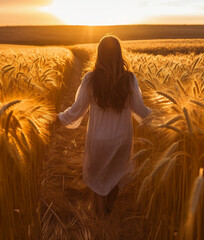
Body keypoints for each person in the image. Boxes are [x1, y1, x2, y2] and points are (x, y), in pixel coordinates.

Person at [57, 35, 151, 217]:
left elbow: (77, 110)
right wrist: (165, 118)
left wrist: (59, 118)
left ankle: (101, 221)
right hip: (122, 138)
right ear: (118, 54)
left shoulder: (90, 79)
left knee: (98, 179)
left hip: (98, 139)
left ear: (99, 54)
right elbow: (141, 110)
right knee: (116, 175)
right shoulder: (129, 79)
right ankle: (109, 209)